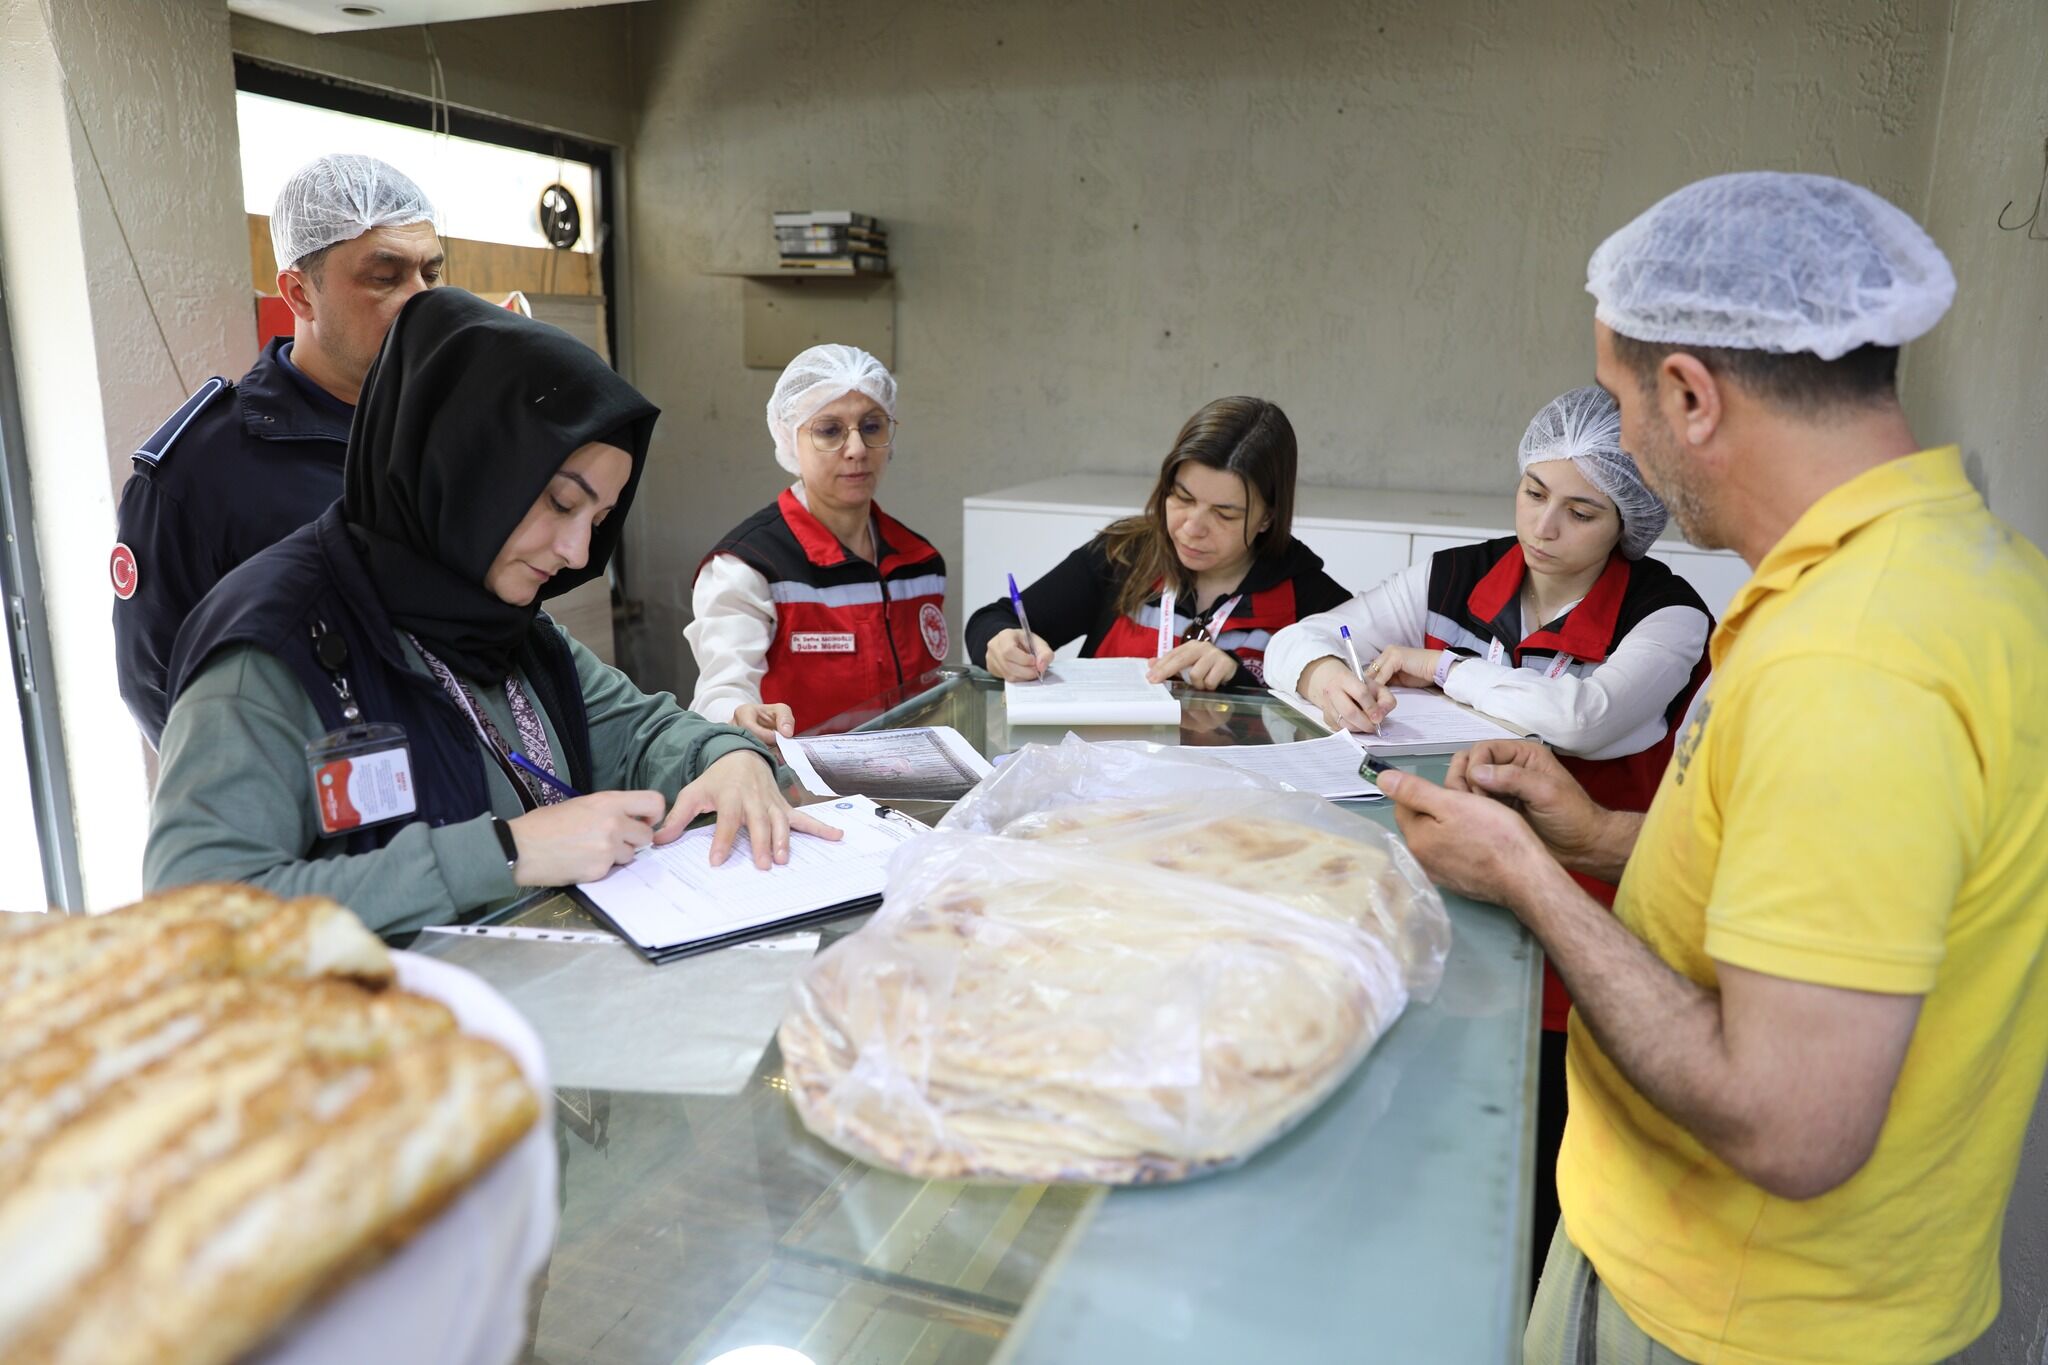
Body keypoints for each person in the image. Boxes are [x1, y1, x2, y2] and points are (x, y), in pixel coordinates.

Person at [1378, 172, 2048, 1365]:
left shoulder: (1852, 658)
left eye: (1615, 403)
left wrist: (1525, 878)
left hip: (1725, 1312)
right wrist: (1584, 835)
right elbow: (1841, 889)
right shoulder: (1967, 571)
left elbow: (1789, 1123)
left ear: (1686, 394)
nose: (1616, 445)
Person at [146, 288, 837, 935]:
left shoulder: (503, 626)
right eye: (561, 504)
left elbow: (643, 730)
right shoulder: (272, 654)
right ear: (464, 464)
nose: (574, 552)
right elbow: (195, 922)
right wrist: (505, 853)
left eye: (597, 520)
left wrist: (728, 758)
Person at [1267, 383, 1712, 1279]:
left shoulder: (1667, 615)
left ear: (1625, 522)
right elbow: (1301, 636)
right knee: (1426, 1155)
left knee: (1547, 1168)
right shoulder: (1456, 575)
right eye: (1532, 492)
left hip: (1585, 931)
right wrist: (1323, 674)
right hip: (1447, 897)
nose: (1545, 526)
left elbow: (1579, 716)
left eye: (1581, 510)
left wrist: (1443, 667)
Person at [113, 153, 444, 746]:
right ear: (300, 293)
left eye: (431, 274)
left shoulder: (444, 426)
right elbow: (157, 684)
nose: (420, 300)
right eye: (386, 276)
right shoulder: (199, 473)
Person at [965, 397, 1348, 688]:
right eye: (1182, 498)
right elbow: (991, 619)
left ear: (1268, 516)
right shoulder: (1122, 556)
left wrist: (1238, 677)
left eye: (1225, 514)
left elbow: (1350, 699)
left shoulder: (1310, 598)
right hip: (1106, 777)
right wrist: (999, 643)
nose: (1191, 527)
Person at [686, 344, 947, 740]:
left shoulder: (920, 563)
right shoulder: (747, 567)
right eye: (829, 431)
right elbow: (722, 692)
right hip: (797, 792)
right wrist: (737, 715)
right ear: (790, 440)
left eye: (872, 426)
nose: (857, 450)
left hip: (905, 785)